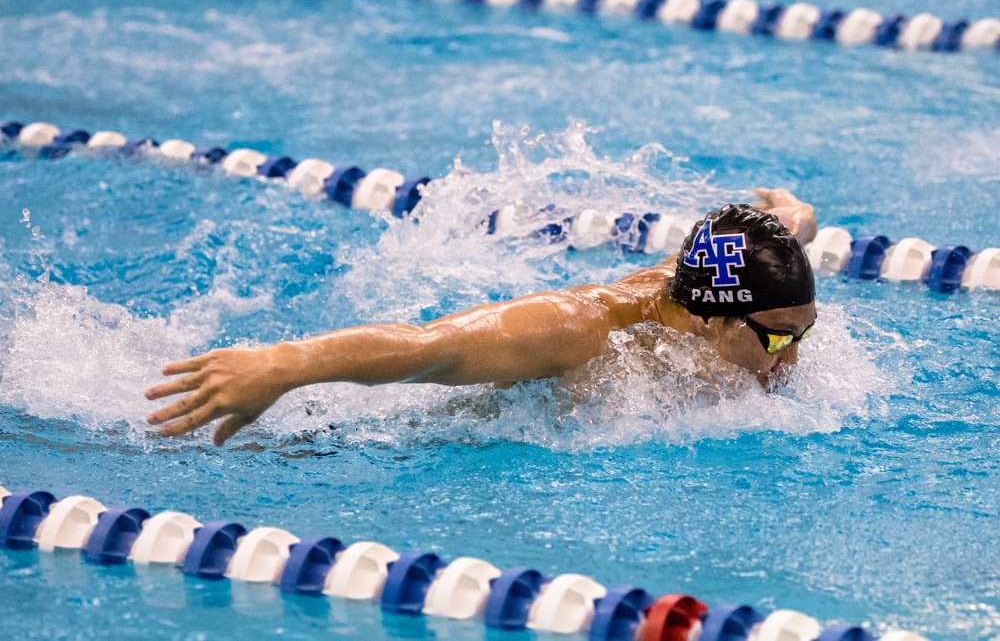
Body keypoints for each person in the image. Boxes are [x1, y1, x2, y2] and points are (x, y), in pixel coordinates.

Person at [146, 188, 818, 446]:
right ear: (710, 323)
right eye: (781, 339)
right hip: (403, 437)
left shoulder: (746, 297)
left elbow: (783, 232)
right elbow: (425, 346)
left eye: (803, 333)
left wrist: (795, 219)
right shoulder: (580, 328)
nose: (792, 358)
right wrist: (281, 365)